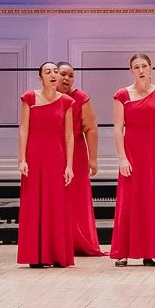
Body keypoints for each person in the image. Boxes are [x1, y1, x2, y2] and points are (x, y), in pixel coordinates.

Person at [111, 53, 155, 267]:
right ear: (131, 70)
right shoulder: (122, 95)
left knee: (151, 201)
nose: (141, 70)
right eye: (136, 67)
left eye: (144, 66)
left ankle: (149, 251)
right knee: (128, 201)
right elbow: (118, 129)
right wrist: (122, 158)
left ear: (150, 68)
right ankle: (123, 252)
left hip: (154, 153)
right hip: (131, 153)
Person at [17, 64, 77, 268]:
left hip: (56, 156)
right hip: (34, 155)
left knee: (56, 204)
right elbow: (23, 129)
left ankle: (57, 254)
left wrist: (69, 165)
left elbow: (69, 136)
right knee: (34, 203)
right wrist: (22, 159)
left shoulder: (67, 101)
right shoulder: (30, 98)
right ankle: (36, 255)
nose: (53, 75)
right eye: (48, 72)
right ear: (40, 78)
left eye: (55, 72)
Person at [57, 64, 105, 257]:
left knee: (75, 196)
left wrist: (93, 158)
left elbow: (91, 128)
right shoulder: (46, 98)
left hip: (76, 151)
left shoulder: (81, 98)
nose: (67, 78)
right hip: (52, 150)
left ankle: (77, 239)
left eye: (71, 75)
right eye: (63, 74)